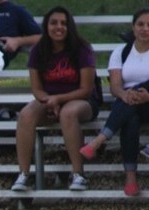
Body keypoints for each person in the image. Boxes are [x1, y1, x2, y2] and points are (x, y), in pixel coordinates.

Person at [80, 7, 149, 196]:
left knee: (129, 108)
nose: (145, 29)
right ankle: (131, 179)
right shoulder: (121, 52)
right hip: (128, 101)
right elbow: (115, 86)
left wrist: (147, 97)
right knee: (130, 117)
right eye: (140, 24)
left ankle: (99, 141)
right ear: (133, 28)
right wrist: (125, 95)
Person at [10, 6, 98, 193]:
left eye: (64, 23)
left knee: (68, 113)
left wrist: (57, 99)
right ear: (46, 26)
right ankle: (24, 175)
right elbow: (37, 89)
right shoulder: (38, 50)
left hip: (82, 100)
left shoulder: (82, 48)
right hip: (49, 100)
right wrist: (49, 100)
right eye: (54, 23)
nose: (59, 27)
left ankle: (79, 174)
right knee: (26, 114)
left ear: (70, 26)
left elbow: (86, 89)